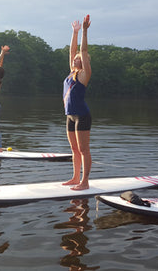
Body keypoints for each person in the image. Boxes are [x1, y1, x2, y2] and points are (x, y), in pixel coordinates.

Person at [62, 15, 92, 191]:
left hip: (82, 116)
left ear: (84, 62)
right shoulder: (71, 72)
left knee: (83, 150)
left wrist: (85, 32)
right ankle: (75, 177)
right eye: (75, 59)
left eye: (78, 59)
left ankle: (85, 181)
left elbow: (83, 51)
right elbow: (72, 51)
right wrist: (74, 32)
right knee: (74, 149)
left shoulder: (83, 75)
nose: (75, 59)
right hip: (70, 116)